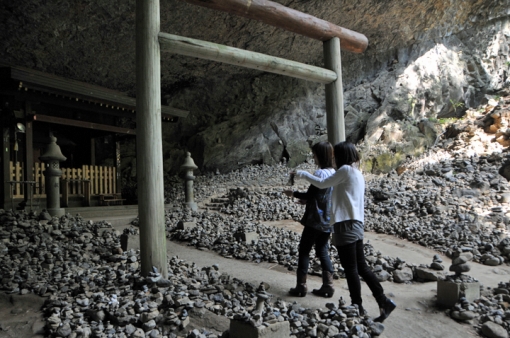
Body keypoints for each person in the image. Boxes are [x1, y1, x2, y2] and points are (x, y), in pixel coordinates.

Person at [294, 141, 396, 322]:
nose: (333, 159)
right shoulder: (357, 173)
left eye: (335, 156)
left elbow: (322, 183)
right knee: (362, 267)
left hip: (345, 225)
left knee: (351, 269)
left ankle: (357, 305)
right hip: (356, 224)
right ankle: (383, 301)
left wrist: (303, 174)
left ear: (340, 156)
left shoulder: (345, 171)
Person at [283, 141, 336, 298]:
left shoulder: (320, 174)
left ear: (319, 155)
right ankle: (328, 285)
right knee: (322, 250)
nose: (313, 157)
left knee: (304, 250)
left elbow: (310, 194)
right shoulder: (334, 173)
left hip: (315, 220)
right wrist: (308, 200)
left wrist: (293, 194)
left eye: (314, 154)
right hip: (329, 220)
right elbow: (322, 196)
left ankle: (301, 286)